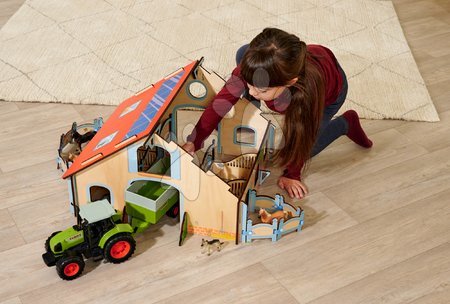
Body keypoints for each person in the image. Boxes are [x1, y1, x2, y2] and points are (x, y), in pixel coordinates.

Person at [183, 28, 372, 199]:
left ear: (289, 83)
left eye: (261, 90)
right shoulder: (252, 68)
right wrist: (196, 138)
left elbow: (302, 135)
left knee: (300, 149)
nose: (252, 91)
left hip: (329, 93)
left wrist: (292, 175)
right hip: (293, 66)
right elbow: (221, 103)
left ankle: (346, 123)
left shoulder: (305, 96)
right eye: (249, 85)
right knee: (242, 53)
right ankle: (256, 96)